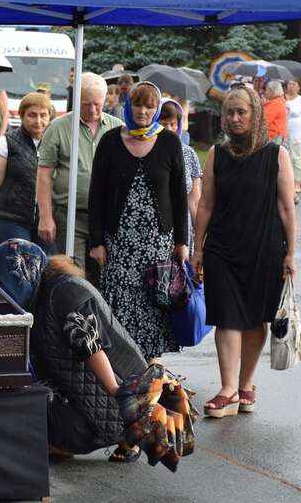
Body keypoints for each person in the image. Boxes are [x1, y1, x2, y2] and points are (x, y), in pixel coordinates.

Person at [0, 241, 148, 459]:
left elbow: (91, 346)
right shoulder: (47, 289)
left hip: (113, 405)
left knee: (12, 423)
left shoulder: (64, 292)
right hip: (106, 404)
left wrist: (119, 393)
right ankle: (121, 434)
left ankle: (118, 433)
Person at [190, 86, 297, 418]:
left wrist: (290, 253)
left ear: (255, 115)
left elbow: (286, 209)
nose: (235, 119)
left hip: (264, 248)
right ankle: (227, 388)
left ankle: (246, 384)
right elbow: (206, 204)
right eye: (230, 113)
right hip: (222, 247)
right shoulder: (216, 155)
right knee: (226, 316)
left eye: (242, 113)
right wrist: (198, 248)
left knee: (254, 319)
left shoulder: (275, 154)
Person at [87, 82, 188, 363]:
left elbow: (179, 196)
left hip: (157, 242)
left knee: (154, 300)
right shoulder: (110, 141)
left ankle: (151, 368)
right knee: (118, 301)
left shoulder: (169, 142)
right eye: (138, 105)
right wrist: (96, 242)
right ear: (128, 106)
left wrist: (182, 241)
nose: (142, 112)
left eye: (149, 106)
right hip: (119, 241)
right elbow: (96, 194)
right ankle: (121, 362)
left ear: (156, 110)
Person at [36, 72, 123, 284]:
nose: (93, 110)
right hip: (69, 215)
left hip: (105, 217)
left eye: (97, 104)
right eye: (86, 104)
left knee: (103, 273)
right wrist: (45, 216)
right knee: (74, 274)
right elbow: (44, 174)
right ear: (76, 100)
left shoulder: (118, 129)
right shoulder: (59, 128)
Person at [0, 92, 54, 250]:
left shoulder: (55, 142)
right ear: (22, 116)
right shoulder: (7, 142)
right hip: (10, 219)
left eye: (43, 115)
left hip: (46, 221)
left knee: (46, 271)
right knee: (15, 268)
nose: (38, 121)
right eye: (32, 115)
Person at [159, 98, 202, 255]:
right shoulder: (146, 151)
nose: (169, 129)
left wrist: (200, 239)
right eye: (163, 124)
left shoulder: (189, 154)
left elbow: (195, 201)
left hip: (183, 229)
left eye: (173, 124)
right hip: (158, 230)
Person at [262, 80, 288, 144]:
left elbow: (264, 120)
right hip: (277, 135)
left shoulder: (275, 103)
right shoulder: (280, 101)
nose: (264, 92)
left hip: (273, 136)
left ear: (271, 90)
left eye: (266, 90)